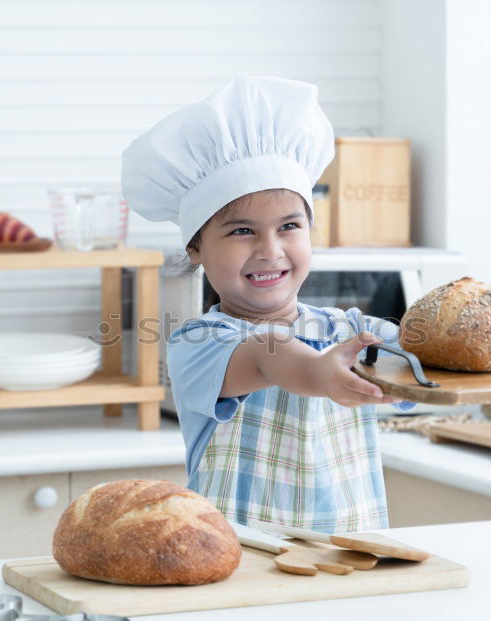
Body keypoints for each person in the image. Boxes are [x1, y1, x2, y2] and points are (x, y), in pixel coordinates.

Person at [121, 76, 415, 533]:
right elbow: (266, 354)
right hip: (240, 565)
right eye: (241, 231)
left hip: (354, 560)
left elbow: (433, 356)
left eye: (289, 226)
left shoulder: (351, 328)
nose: (270, 249)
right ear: (195, 249)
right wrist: (320, 372)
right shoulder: (198, 344)